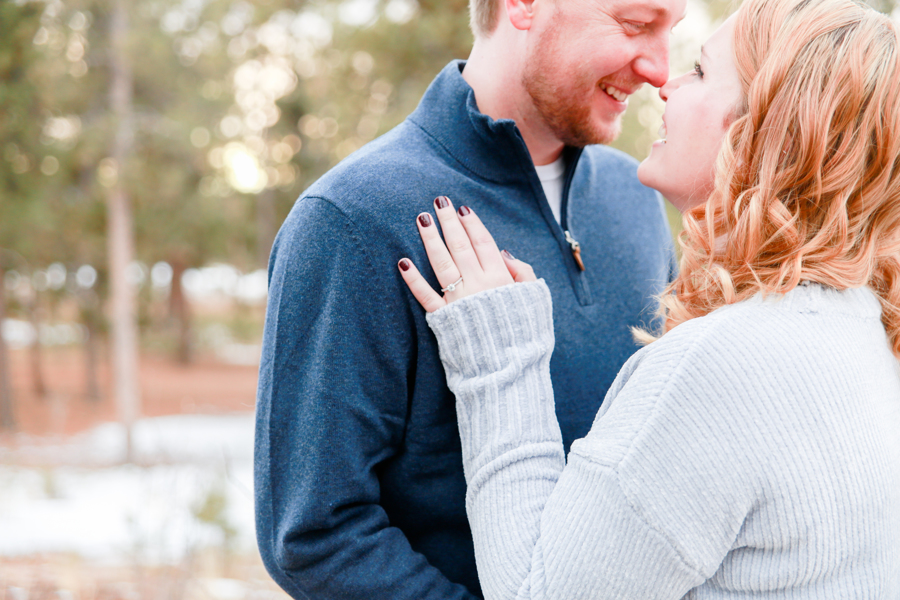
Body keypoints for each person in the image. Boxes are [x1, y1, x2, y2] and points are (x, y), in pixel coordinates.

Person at [398, 0, 900, 596]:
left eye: (703, 72)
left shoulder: (726, 366)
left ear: (762, 129)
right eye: (637, 26)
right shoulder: (863, 323)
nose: (667, 81)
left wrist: (501, 358)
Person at [254, 0, 686, 597]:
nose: (660, 70)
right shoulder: (351, 219)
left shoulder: (634, 197)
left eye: (674, 33)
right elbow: (317, 535)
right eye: (636, 25)